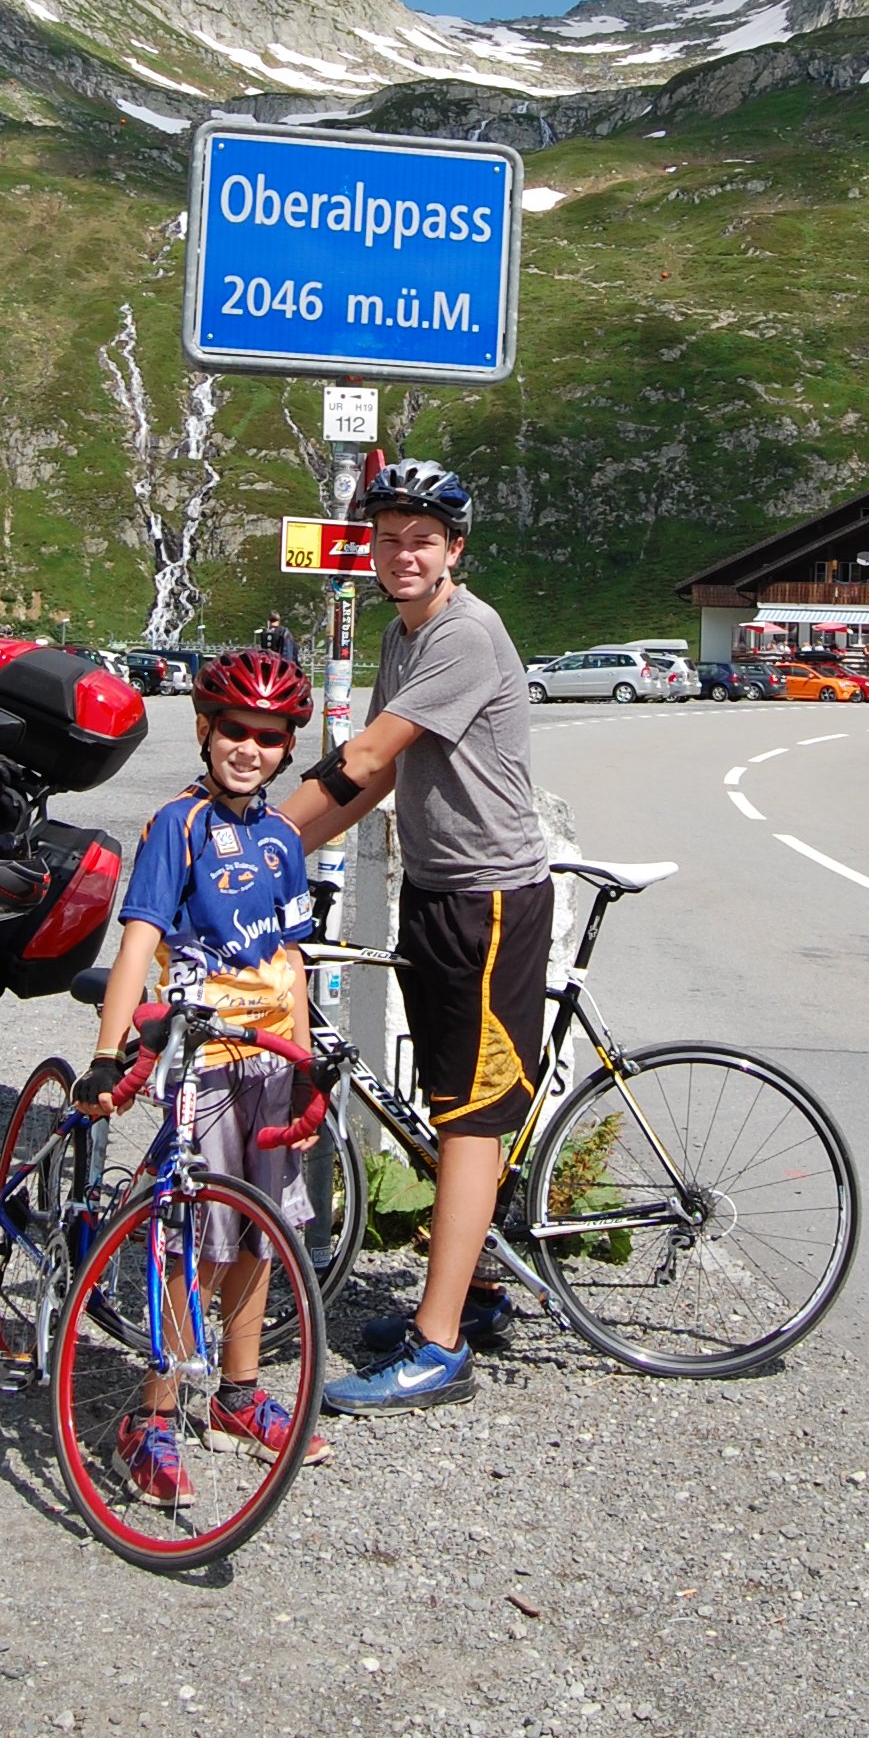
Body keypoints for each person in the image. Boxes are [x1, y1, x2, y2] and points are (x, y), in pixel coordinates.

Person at [280, 457, 552, 1415]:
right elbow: (380, 779)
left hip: (490, 900)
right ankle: (473, 1293)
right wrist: (282, 850)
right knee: (450, 1103)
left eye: (422, 541)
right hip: (438, 890)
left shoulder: (464, 634)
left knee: (472, 1119)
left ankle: (439, 1349)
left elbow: (364, 755)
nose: (403, 554)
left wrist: (251, 840)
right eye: (388, 539)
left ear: (454, 552)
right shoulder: (405, 636)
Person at [78, 646, 329, 1499]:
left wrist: (305, 1061)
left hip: (273, 1060)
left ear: (288, 748)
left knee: (262, 1231)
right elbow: (138, 943)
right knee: (198, 1241)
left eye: (269, 736)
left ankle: (238, 1394)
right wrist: (109, 1054)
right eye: (235, 731)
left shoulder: (283, 838)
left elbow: (290, 959)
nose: (249, 749)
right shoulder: (175, 826)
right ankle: (150, 1417)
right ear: (204, 731)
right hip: (204, 1061)